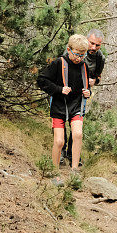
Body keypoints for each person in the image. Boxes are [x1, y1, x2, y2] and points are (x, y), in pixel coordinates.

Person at [36, 34, 91, 185]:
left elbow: (86, 86)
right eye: (77, 54)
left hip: (76, 106)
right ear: (68, 49)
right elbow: (41, 80)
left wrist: (88, 92)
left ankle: (74, 171)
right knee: (59, 142)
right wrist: (59, 89)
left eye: (83, 55)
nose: (79, 58)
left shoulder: (84, 66)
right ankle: (55, 173)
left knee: (78, 134)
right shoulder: (58, 63)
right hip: (59, 106)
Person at [64, 28, 105, 165]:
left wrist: (94, 81)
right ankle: (61, 151)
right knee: (61, 121)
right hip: (65, 91)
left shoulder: (100, 58)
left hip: (81, 95)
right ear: (86, 39)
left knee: (76, 126)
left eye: (97, 45)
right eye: (91, 43)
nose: (93, 47)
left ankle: (72, 155)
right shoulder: (74, 48)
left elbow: (98, 76)